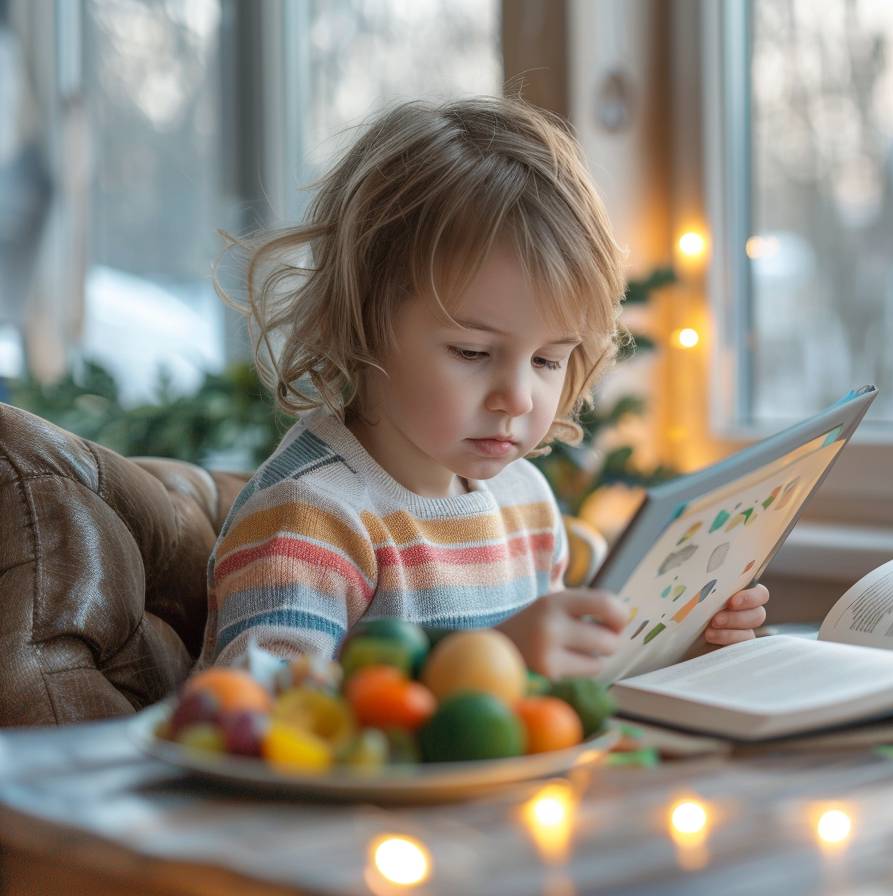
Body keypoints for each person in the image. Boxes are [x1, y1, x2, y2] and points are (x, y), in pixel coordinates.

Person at [201, 96, 768, 675]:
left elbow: (553, 700)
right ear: (361, 321)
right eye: (472, 352)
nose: (518, 398)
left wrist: (678, 647)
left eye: (549, 360)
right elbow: (256, 717)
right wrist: (486, 658)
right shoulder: (309, 517)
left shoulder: (527, 502)